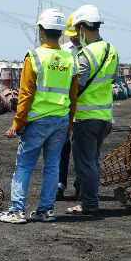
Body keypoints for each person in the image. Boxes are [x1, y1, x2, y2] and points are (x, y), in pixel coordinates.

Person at [0, 8, 78, 224]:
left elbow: (25, 94)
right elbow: (73, 99)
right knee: (52, 166)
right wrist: (69, 126)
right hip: (61, 121)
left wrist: (17, 123)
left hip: (37, 121)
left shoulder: (34, 57)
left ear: (41, 31)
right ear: (61, 33)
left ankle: (17, 210)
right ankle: (46, 210)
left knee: (24, 166)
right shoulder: (71, 60)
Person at [64, 5, 116, 217]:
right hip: (104, 117)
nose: (76, 35)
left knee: (85, 164)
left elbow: (77, 87)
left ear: (84, 28)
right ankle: (90, 201)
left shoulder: (86, 55)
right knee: (93, 161)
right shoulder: (111, 50)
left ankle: (89, 204)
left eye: (77, 30)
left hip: (86, 118)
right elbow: (109, 83)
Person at [57, 12, 81, 201]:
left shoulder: (92, 51)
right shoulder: (62, 50)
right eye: (70, 33)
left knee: (82, 150)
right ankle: (60, 184)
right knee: (63, 148)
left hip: (85, 110)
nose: (73, 36)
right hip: (65, 108)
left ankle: (81, 182)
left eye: (76, 32)